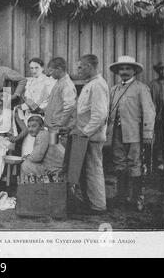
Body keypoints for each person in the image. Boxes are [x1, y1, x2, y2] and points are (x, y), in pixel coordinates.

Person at [60, 54, 109, 215]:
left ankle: (98, 206)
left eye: (81, 67)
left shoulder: (98, 85)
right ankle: (90, 203)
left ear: (89, 66)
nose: (78, 70)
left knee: (93, 169)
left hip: (92, 137)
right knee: (84, 171)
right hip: (83, 136)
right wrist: (74, 128)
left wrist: (84, 132)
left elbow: (99, 114)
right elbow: (83, 113)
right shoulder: (91, 84)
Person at [108, 55, 155, 212]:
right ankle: (121, 197)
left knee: (135, 163)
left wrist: (148, 133)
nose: (124, 71)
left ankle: (136, 199)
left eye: (128, 68)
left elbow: (149, 111)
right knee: (119, 164)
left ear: (134, 70)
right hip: (116, 133)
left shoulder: (141, 88)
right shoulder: (114, 90)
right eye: (122, 69)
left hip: (135, 133)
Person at [19, 57, 56, 156]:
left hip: (43, 115)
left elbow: (52, 101)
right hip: (30, 115)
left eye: (36, 68)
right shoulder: (30, 82)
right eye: (31, 68)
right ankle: (27, 165)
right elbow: (28, 100)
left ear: (42, 68)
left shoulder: (49, 82)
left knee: (41, 141)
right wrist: (22, 107)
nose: (34, 71)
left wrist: (41, 109)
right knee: (28, 141)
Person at [21, 116, 65, 183]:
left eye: (33, 126)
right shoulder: (47, 133)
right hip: (58, 166)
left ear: (41, 127)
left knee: (26, 165)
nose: (30, 129)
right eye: (29, 126)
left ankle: (30, 189)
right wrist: (29, 156)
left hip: (56, 169)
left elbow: (37, 158)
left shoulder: (42, 134)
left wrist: (27, 158)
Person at [44, 57, 77, 136]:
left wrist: (61, 122)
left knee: (59, 147)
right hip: (53, 127)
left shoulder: (66, 84)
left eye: (51, 70)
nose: (50, 74)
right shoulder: (60, 82)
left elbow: (70, 105)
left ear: (58, 69)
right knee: (53, 147)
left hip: (59, 128)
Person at [149, 60, 164, 175]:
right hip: (157, 119)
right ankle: (159, 165)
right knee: (158, 141)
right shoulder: (153, 84)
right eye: (160, 69)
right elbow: (151, 102)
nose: (163, 71)